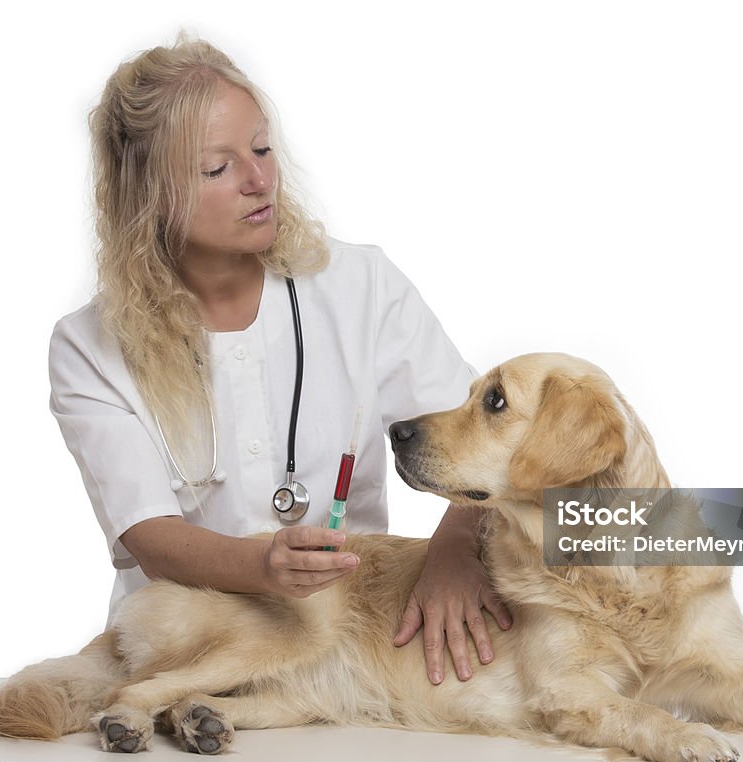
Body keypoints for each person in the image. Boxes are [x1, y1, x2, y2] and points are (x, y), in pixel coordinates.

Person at [49, 34, 511, 686]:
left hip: (352, 647)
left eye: (262, 148)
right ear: (150, 197)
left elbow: (483, 450)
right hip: (187, 646)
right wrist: (261, 566)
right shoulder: (86, 347)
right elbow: (148, 532)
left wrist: (454, 552)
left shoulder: (361, 284)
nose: (259, 179)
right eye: (218, 168)